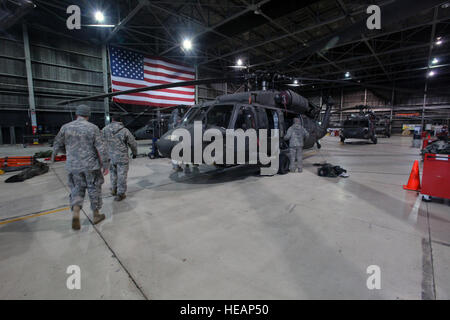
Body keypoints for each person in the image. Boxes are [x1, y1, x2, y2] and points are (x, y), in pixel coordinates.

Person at [53, 105, 109, 230]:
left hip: (73, 166)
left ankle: (76, 213)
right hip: (91, 166)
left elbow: (57, 145)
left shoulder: (65, 127)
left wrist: (68, 152)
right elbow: (102, 148)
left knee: (77, 189)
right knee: (94, 188)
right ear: (88, 115)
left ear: (76, 114)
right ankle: (96, 215)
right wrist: (105, 164)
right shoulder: (93, 128)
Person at [102, 115, 138, 201]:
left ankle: (114, 190)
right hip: (122, 157)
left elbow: (100, 142)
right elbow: (132, 143)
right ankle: (120, 194)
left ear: (112, 119)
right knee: (122, 175)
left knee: (113, 174)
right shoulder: (124, 130)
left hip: (110, 157)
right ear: (120, 120)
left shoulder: (104, 129)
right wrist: (134, 153)